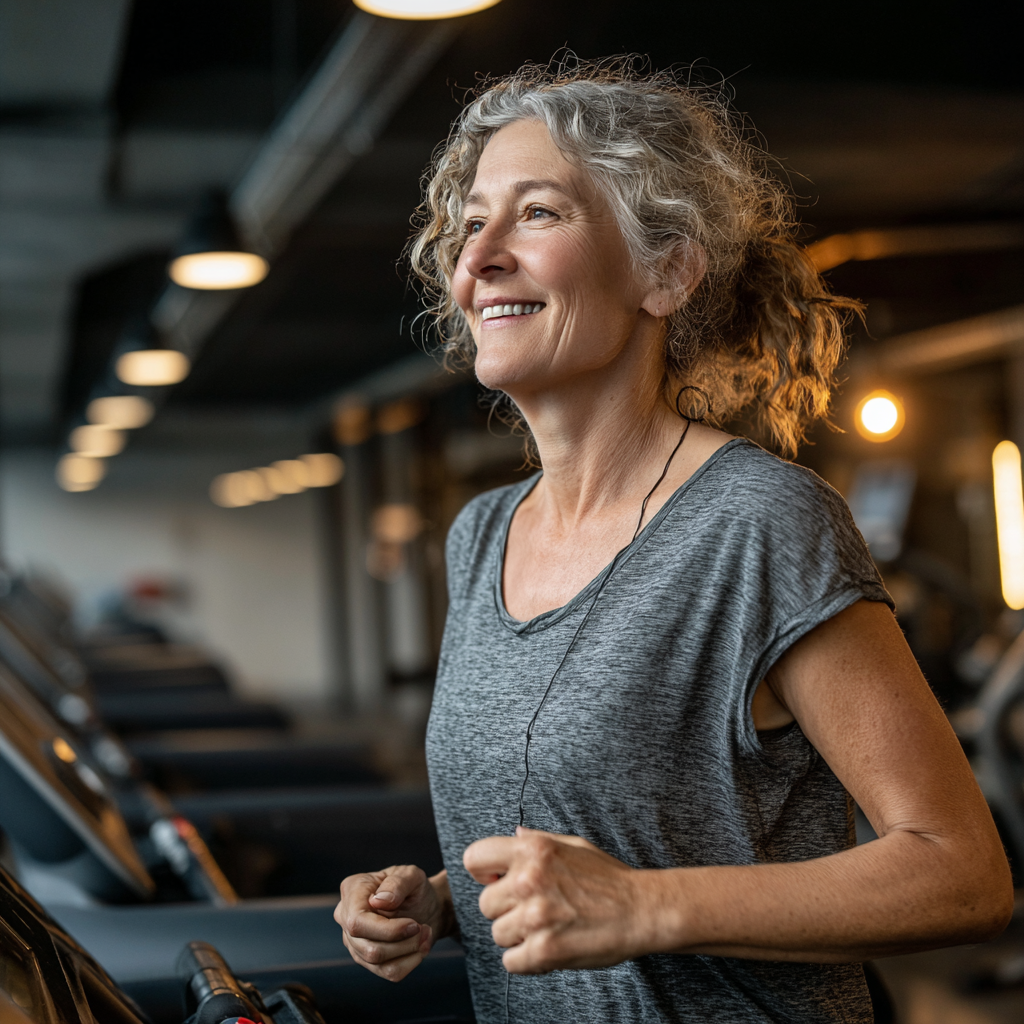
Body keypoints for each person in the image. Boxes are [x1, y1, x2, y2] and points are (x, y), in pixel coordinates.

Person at [334, 63, 1013, 1023]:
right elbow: (592, 839)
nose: (477, 255)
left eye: (536, 214)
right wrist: (446, 903)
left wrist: (643, 907)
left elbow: (963, 875)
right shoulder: (480, 537)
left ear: (666, 272)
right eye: (469, 221)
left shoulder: (758, 523)